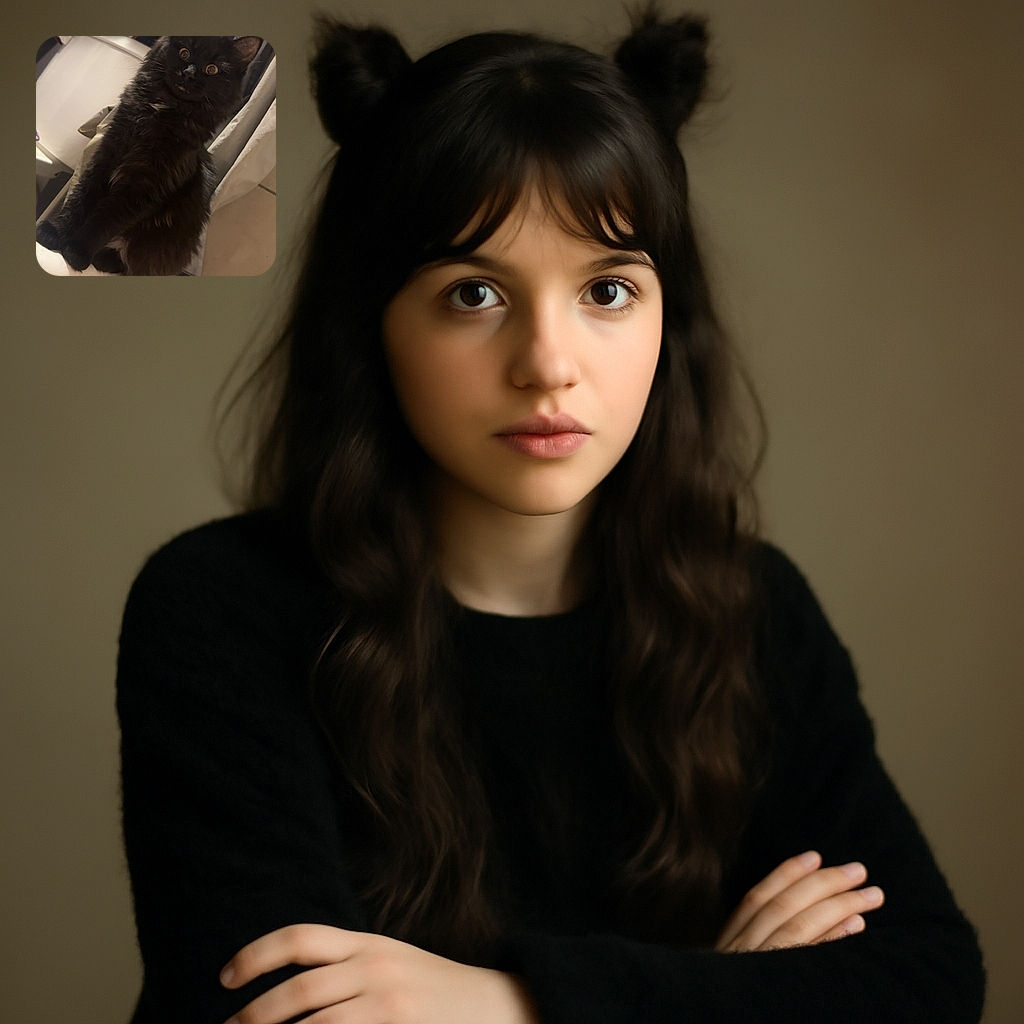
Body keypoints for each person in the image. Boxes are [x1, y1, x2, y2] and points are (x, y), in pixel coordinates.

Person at [116, 8, 985, 1023]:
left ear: (671, 319)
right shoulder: (224, 609)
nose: (548, 365)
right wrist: (725, 990)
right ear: (373, 324)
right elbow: (286, 1011)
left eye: (608, 290)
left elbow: (926, 982)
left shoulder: (754, 612)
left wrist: (505, 1003)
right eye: (474, 293)